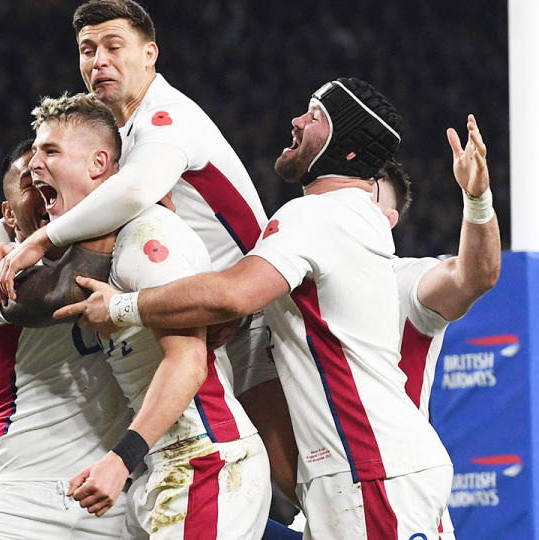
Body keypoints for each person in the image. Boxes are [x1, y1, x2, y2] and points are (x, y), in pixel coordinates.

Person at [57, 78, 454, 539]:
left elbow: (233, 292)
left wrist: (123, 306)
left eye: (315, 116)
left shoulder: (317, 215)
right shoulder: (348, 216)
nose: (297, 121)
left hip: (372, 467)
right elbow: (248, 305)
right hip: (362, 470)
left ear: (345, 150)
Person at [0, 0, 294, 505]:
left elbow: (133, 193)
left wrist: (37, 242)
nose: (99, 62)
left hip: (254, 320)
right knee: (233, 478)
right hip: (193, 310)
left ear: (150, 54)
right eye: (87, 50)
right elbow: (43, 198)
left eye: (114, 47)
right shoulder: (114, 131)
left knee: (291, 478)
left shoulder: (168, 118)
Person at [32, 92, 271, 538]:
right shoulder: (110, 242)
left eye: (50, 152)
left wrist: (121, 458)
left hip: (203, 463)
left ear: (99, 163)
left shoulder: (147, 238)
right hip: (165, 465)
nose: (34, 165)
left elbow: (187, 361)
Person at [0, 138, 133, 539]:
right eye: (29, 183)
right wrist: (119, 202)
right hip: (20, 499)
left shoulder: (132, 244)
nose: (43, 189)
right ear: (8, 215)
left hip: (118, 492)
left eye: (52, 180)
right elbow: (68, 289)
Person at [373, 116, 500, 539]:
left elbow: (473, 275)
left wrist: (477, 198)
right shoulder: (292, 286)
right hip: (325, 498)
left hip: (398, 498)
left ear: (388, 219)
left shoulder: (402, 281)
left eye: (366, 192)